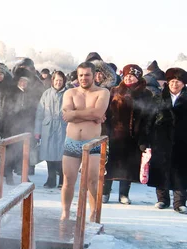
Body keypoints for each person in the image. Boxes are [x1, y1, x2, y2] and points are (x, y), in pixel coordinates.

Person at [60, 62, 110, 221]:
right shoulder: (70, 93)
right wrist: (91, 114)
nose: (83, 78)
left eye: (87, 75)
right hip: (72, 141)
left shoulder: (103, 92)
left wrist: (76, 114)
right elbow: (67, 114)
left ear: (94, 75)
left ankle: (93, 214)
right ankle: (66, 213)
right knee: (68, 180)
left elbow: (98, 112)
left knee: (92, 181)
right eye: (81, 75)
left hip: (93, 143)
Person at [103, 64, 153, 204]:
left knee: (128, 167)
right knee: (109, 166)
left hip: (134, 137)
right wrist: (105, 131)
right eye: (126, 76)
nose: (129, 78)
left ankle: (123, 194)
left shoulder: (146, 94)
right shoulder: (114, 91)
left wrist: (144, 138)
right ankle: (105, 193)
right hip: (114, 135)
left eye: (132, 76)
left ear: (138, 77)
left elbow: (148, 117)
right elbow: (106, 113)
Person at [148, 68, 187, 214]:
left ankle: (180, 202)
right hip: (161, 139)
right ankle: (162, 199)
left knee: (181, 171)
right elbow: (149, 119)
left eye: (178, 81)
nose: (174, 84)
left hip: (183, 140)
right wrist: (145, 139)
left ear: (183, 84)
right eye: (172, 81)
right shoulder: (158, 98)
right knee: (161, 169)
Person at [0, 68, 38, 185]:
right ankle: (8, 175)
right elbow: (4, 111)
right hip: (11, 128)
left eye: (26, 81)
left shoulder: (31, 95)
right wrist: (2, 127)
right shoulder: (10, 92)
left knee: (23, 153)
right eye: (21, 81)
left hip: (25, 127)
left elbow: (33, 112)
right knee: (10, 153)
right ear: (18, 81)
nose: (23, 83)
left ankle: (24, 175)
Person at [35, 70, 68, 188]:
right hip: (48, 127)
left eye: (60, 80)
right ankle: (51, 179)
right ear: (52, 81)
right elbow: (39, 113)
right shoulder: (46, 94)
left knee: (62, 154)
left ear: (64, 81)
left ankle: (62, 180)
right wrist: (37, 132)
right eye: (56, 80)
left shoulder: (68, 93)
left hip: (63, 127)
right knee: (49, 154)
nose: (58, 82)